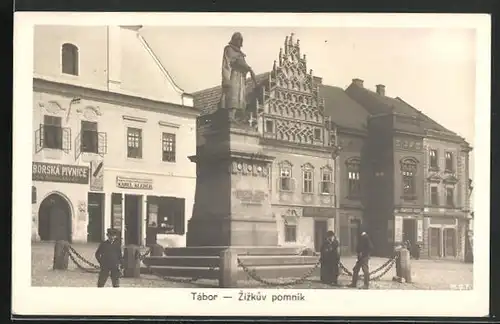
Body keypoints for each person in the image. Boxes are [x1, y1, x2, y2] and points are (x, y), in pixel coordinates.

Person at [219, 32, 258, 122]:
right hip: (233, 75)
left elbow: (243, 64)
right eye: (238, 40)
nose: (240, 42)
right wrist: (226, 80)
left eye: (241, 40)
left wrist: (249, 69)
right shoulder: (229, 49)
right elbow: (227, 64)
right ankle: (231, 116)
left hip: (241, 77)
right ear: (234, 40)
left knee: (240, 97)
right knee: (233, 95)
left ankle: (238, 117)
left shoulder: (240, 53)